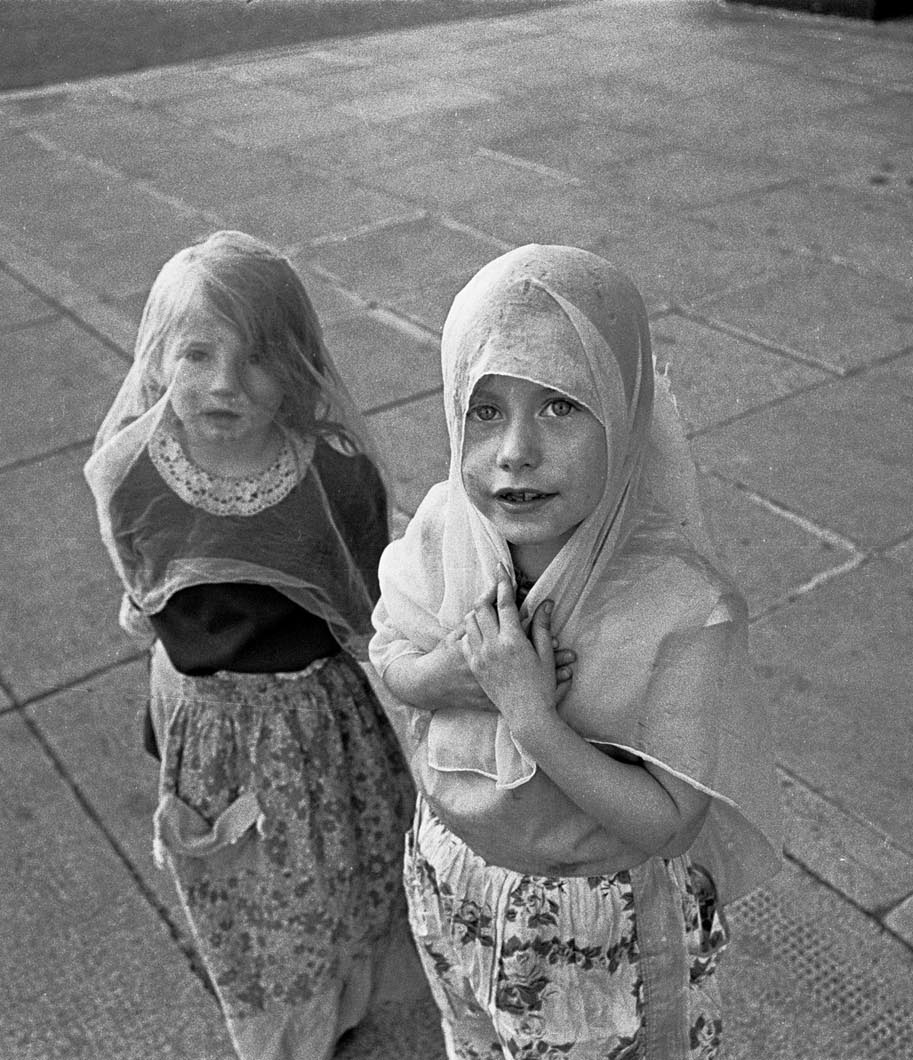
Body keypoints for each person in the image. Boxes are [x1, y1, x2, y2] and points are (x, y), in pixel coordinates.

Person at [370, 245, 784, 1059]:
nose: (516, 450)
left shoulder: (681, 608)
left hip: (596, 929)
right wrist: (448, 675)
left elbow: (667, 822)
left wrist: (530, 716)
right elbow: (387, 655)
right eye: (485, 410)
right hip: (455, 883)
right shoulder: (448, 525)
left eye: (560, 406)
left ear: (625, 417)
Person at [85, 231, 413, 1060]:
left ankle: (336, 1008)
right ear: (158, 361)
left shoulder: (333, 478)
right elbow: (151, 599)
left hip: (317, 725)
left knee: (330, 876)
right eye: (197, 353)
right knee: (239, 894)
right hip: (209, 729)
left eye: (258, 357)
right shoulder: (133, 474)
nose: (224, 382)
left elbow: (368, 609)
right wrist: (163, 708)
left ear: (299, 365)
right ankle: (277, 1036)